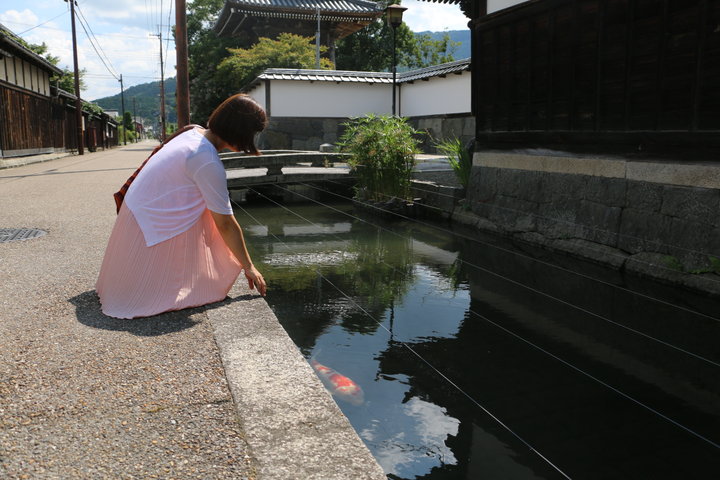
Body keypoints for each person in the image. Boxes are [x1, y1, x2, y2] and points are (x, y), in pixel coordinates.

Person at [96, 94, 267, 319]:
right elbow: (226, 222)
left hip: (135, 220)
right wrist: (249, 266)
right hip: (148, 231)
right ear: (241, 132)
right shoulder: (206, 159)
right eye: (253, 133)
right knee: (214, 215)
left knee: (207, 207)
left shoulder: (192, 134)